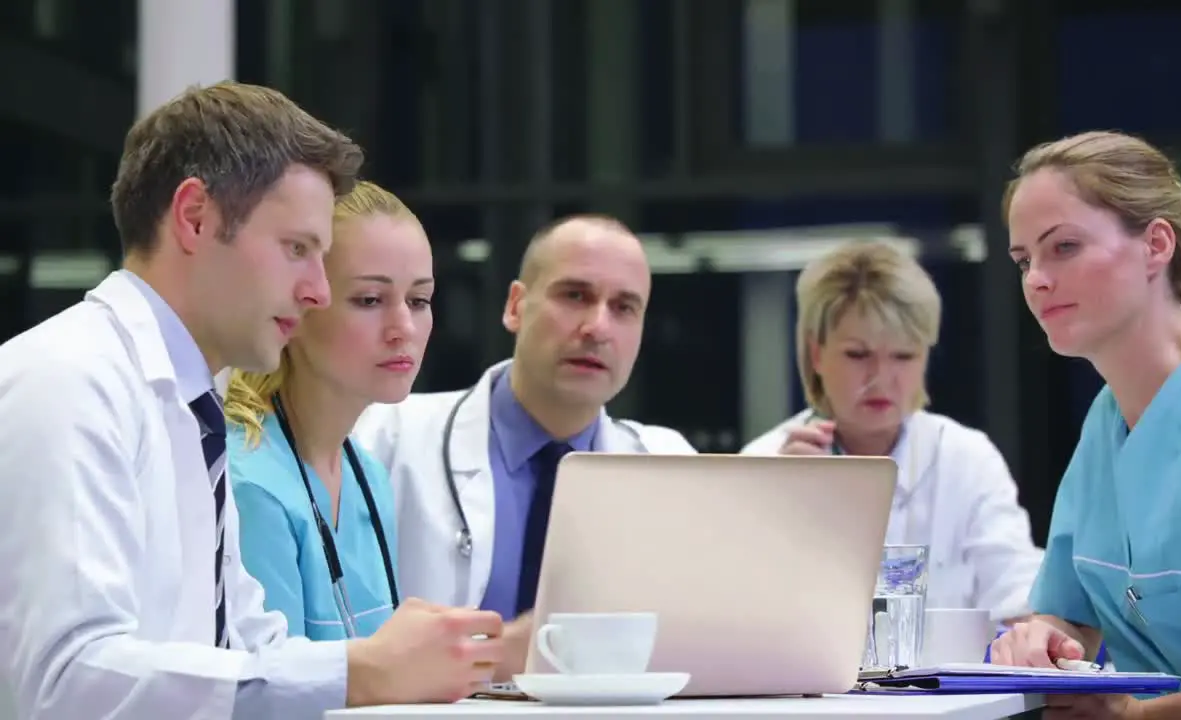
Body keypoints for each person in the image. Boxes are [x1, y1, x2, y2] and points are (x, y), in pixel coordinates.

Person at [0, 82, 502, 720]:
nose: (318, 290)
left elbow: (247, 643)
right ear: (195, 218)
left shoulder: (190, 409)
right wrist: (361, 670)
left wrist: (389, 667)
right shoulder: (68, 382)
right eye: (298, 249)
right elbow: (66, 681)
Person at [991, 130, 1181, 719]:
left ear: (1155, 245)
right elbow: (1072, 614)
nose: (1036, 280)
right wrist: (1040, 637)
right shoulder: (1106, 422)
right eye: (1024, 260)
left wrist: (1141, 718)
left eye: (1063, 247)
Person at [353, 214, 696, 677]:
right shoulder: (385, 435)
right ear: (516, 306)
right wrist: (496, 654)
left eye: (624, 307)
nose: (598, 327)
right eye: (575, 295)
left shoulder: (670, 466)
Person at [741, 241, 1043, 622]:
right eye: (858, 354)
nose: (880, 379)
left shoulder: (966, 459)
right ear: (817, 354)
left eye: (903, 356)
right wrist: (782, 511)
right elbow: (739, 620)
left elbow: (1019, 596)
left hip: (952, 684)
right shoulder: (765, 464)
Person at [224, 181, 433, 641]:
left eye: (419, 300)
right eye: (370, 300)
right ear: (299, 305)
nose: (404, 328)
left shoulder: (368, 474)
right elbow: (270, 697)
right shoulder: (249, 485)